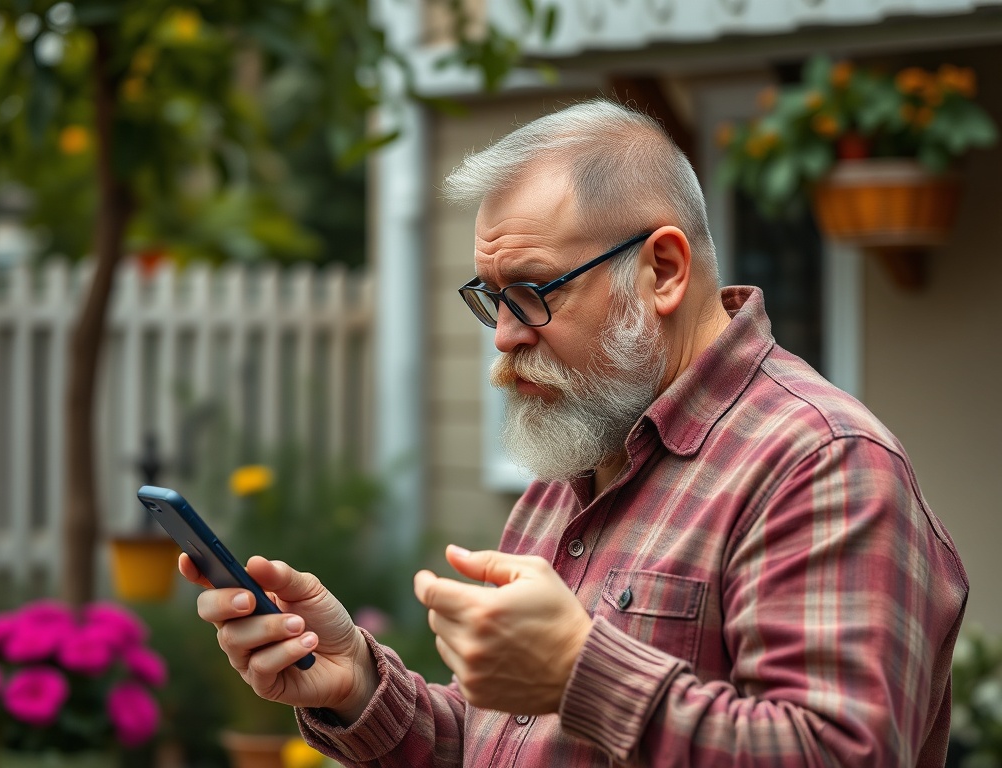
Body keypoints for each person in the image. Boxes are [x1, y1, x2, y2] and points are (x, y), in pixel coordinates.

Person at [181, 98, 968, 766]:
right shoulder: (587, 445)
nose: (504, 336)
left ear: (662, 271)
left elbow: (836, 752)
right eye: (491, 298)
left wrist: (578, 673)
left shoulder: (821, 464)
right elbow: (511, 741)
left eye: (530, 291)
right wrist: (356, 682)